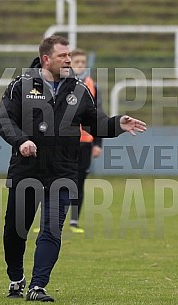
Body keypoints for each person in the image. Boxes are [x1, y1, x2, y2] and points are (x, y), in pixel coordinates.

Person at [0, 35, 147, 302]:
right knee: (15, 231)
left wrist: (117, 124)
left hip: (63, 172)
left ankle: (38, 286)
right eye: (62, 56)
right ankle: (17, 278)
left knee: (52, 229)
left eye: (69, 55)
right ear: (46, 59)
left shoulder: (79, 89)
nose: (68, 60)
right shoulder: (21, 85)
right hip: (26, 171)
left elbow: (96, 123)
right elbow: (4, 120)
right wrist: (21, 141)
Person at [69, 48, 102, 233]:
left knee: (79, 181)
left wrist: (98, 143)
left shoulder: (92, 86)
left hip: (85, 142)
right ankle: (50, 220)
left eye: (83, 62)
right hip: (64, 142)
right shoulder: (61, 84)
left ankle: (74, 221)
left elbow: (98, 117)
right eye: (77, 62)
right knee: (56, 179)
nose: (81, 65)